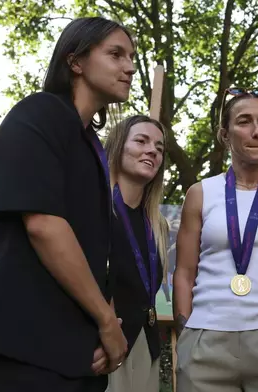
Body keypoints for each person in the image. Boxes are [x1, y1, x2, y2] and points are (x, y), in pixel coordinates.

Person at [0, 16, 137, 391]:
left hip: (68, 356)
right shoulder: (39, 113)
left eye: (131, 57)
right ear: (75, 62)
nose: (129, 67)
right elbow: (43, 224)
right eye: (115, 54)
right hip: (15, 350)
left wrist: (100, 330)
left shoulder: (89, 145)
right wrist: (107, 321)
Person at [173, 87, 258, 391]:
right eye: (245, 121)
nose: (257, 131)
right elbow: (184, 271)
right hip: (206, 339)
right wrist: (186, 334)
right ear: (225, 134)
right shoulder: (200, 193)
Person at [104, 115, 169, 392]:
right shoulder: (95, 210)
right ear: (118, 147)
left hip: (146, 343)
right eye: (141, 141)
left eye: (159, 147)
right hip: (101, 345)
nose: (152, 150)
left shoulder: (158, 225)